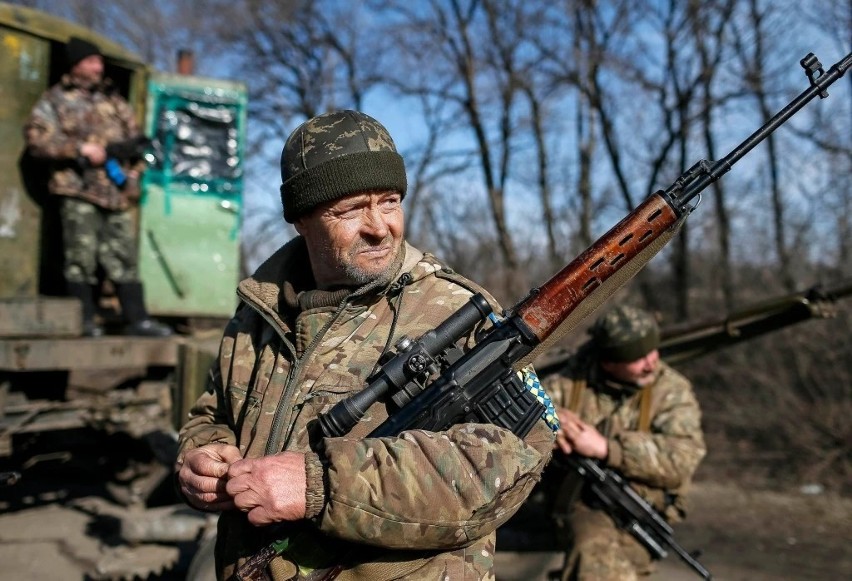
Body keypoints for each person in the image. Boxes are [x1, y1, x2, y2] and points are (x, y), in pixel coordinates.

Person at [175, 110, 556, 580]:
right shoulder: (258, 313)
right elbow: (212, 416)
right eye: (350, 210)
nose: (380, 226)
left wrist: (321, 485)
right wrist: (201, 457)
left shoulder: (457, 314)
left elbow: (510, 462)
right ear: (302, 219)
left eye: (390, 201)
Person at [543, 305, 706, 581]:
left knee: (603, 562)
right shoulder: (571, 381)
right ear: (608, 363)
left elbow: (683, 457)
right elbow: (531, 405)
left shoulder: (671, 391)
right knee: (595, 554)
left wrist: (607, 449)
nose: (651, 362)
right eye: (637, 357)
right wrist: (549, 424)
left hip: (641, 504)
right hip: (575, 504)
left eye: (652, 350)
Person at [24, 36, 172, 337]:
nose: (97, 67)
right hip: (77, 190)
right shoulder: (55, 99)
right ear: (76, 65)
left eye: (99, 61)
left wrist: (133, 176)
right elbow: (36, 140)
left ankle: (137, 320)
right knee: (81, 258)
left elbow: (138, 144)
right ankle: (83, 322)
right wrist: (80, 149)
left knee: (124, 257)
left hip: (114, 193)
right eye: (91, 61)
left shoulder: (114, 102)